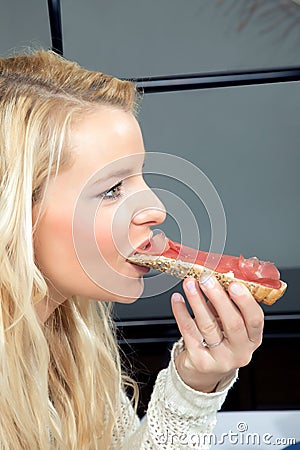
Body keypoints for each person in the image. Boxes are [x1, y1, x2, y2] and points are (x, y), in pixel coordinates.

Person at [0, 49, 264, 449]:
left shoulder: (74, 347)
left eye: (140, 175)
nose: (156, 209)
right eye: (111, 189)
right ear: (15, 211)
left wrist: (196, 380)